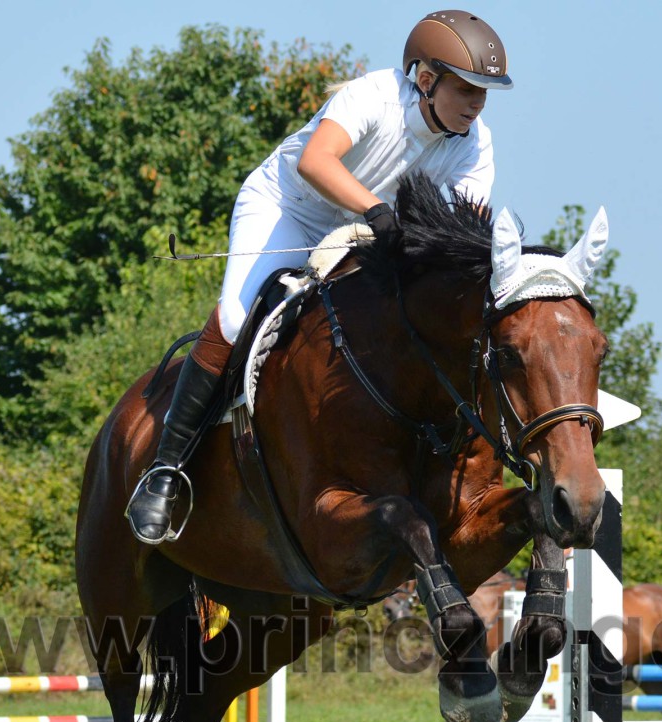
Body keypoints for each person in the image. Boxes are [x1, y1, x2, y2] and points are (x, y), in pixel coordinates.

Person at [126, 9, 513, 544]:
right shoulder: (373, 96)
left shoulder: (474, 142)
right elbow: (315, 161)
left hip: (366, 227)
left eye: (483, 92)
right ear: (426, 79)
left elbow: (456, 227)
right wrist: (377, 211)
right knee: (237, 320)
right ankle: (165, 470)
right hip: (288, 208)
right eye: (467, 88)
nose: (477, 103)